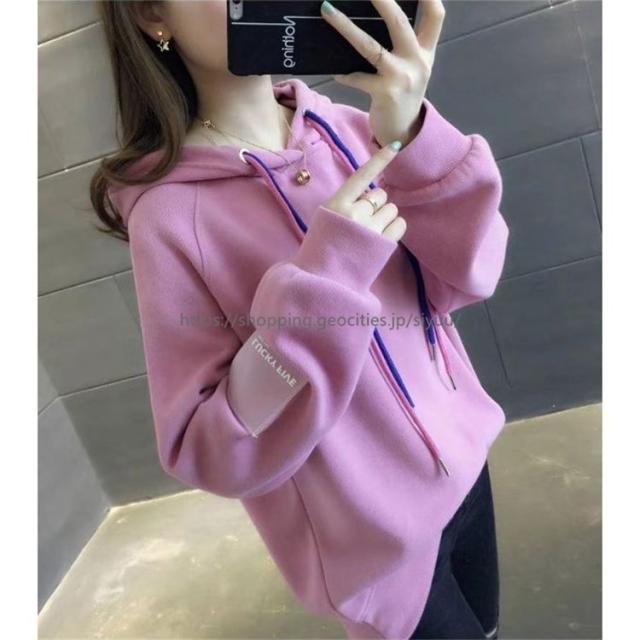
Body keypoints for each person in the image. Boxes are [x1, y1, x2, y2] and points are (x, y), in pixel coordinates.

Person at [90, 1, 509, 638]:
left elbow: (471, 273)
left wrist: (414, 136)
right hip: (379, 553)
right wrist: (327, 281)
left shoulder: (351, 127)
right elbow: (207, 447)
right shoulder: (171, 217)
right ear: (153, 15)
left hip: (468, 469)